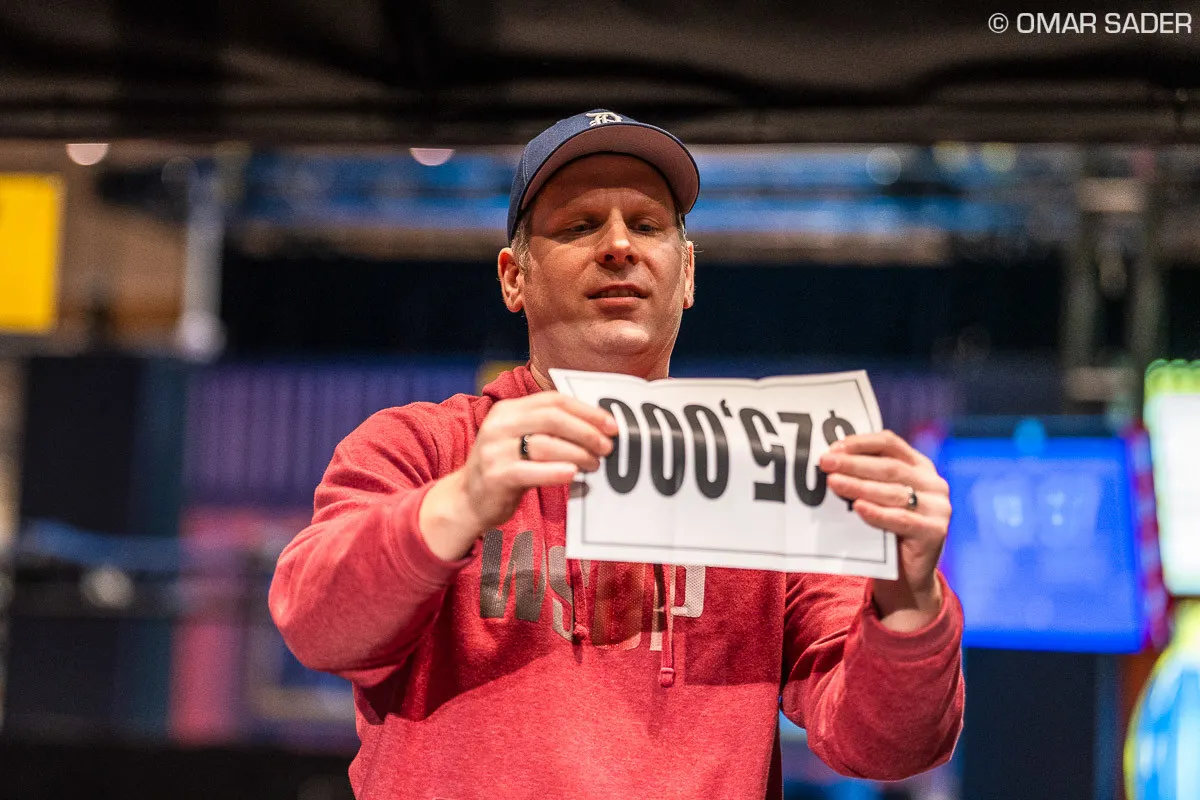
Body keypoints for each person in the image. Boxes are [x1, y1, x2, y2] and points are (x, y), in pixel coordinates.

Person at [269, 109, 964, 799]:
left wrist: (909, 594)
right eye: (579, 226)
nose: (619, 246)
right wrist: (461, 502)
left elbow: (889, 746)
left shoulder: (773, 470)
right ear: (514, 278)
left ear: (686, 274)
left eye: (648, 225)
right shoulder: (422, 447)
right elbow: (316, 628)